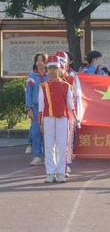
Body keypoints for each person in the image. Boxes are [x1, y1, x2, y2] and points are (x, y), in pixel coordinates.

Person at [38, 55, 76, 183]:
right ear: (47, 70)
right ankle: (50, 173)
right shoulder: (43, 86)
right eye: (50, 68)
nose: (52, 71)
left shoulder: (66, 86)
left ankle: (60, 172)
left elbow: (70, 104)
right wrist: (40, 122)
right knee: (49, 146)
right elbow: (41, 106)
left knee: (61, 145)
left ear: (59, 69)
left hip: (62, 118)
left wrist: (76, 118)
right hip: (48, 118)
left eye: (55, 68)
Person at [25, 53, 48, 164]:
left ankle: (48, 156)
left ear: (46, 62)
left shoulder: (50, 76)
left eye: (42, 60)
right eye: (37, 60)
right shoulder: (32, 77)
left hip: (49, 108)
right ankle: (38, 156)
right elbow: (28, 94)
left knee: (48, 132)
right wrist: (29, 108)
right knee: (36, 132)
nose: (39, 62)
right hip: (35, 107)